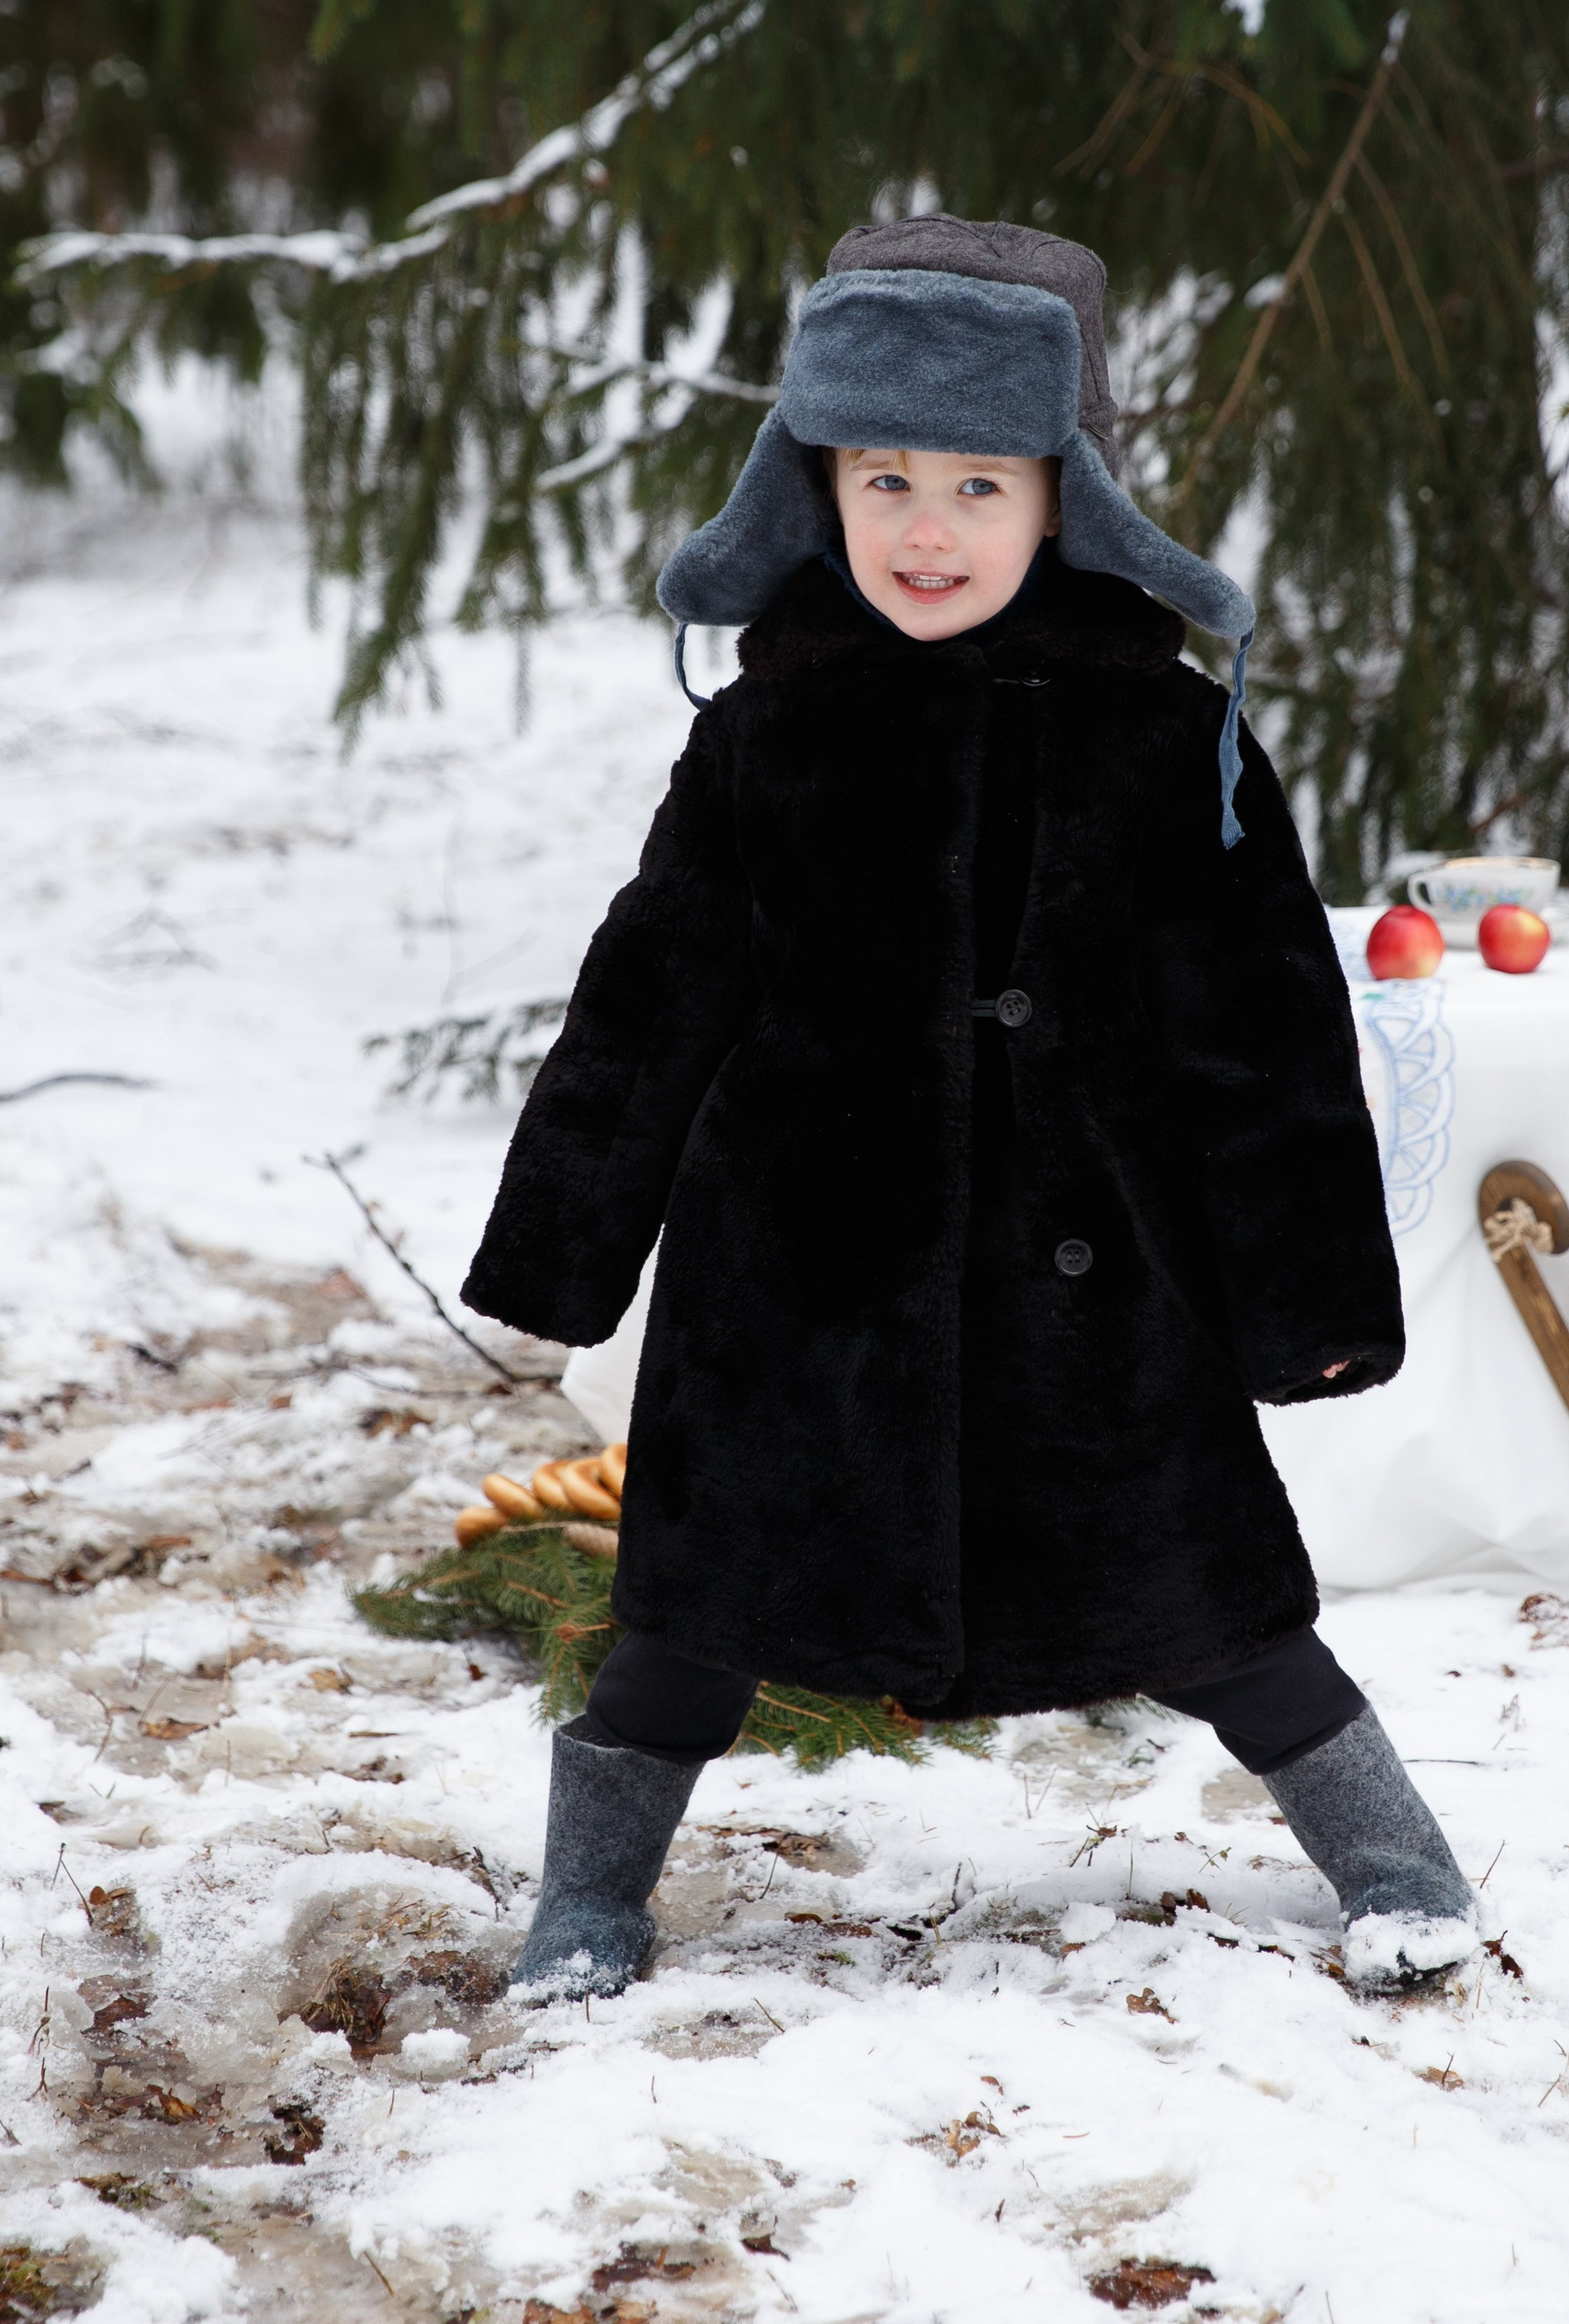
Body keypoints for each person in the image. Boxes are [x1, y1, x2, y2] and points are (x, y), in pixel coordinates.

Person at [461, 214, 1480, 1998]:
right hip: (795, 1296)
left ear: (1063, 496)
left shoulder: (1172, 743)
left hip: (1092, 1302)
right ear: (816, 488)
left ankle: (1394, 1860)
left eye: (977, 486)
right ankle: (591, 1900)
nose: (925, 531)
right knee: (683, 1635)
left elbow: (1262, 1036)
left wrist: (1304, 1302)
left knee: (1225, 1617)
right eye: (882, 479)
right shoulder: (764, 734)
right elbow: (652, 994)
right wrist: (561, 1255)